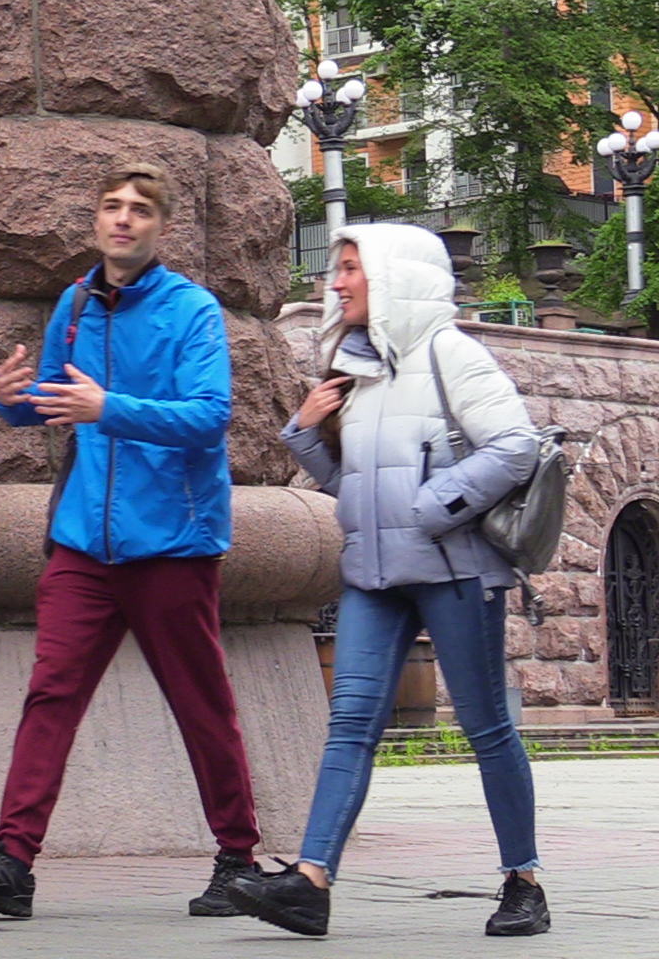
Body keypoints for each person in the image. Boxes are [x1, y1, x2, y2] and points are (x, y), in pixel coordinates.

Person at [0, 163, 267, 920]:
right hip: (84, 541)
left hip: (173, 543)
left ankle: (238, 858)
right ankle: (10, 863)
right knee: (51, 694)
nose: (123, 220)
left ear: (161, 228)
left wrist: (108, 406)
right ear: (96, 220)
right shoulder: (75, 303)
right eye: (112, 207)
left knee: (200, 703)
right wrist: (8, 398)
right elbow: (54, 402)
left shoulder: (193, 311)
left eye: (140, 210)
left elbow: (210, 416)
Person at [226, 223, 548, 937]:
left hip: (453, 569)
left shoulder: (450, 353)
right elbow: (357, 487)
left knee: (487, 727)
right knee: (349, 727)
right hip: (373, 575)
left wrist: (436, 505)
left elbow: (516, 444)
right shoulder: (357, 367)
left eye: (349, 269)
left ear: (394, 275)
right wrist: (305, 436)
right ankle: (310, 883)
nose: (335, 283)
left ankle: (523, 881)